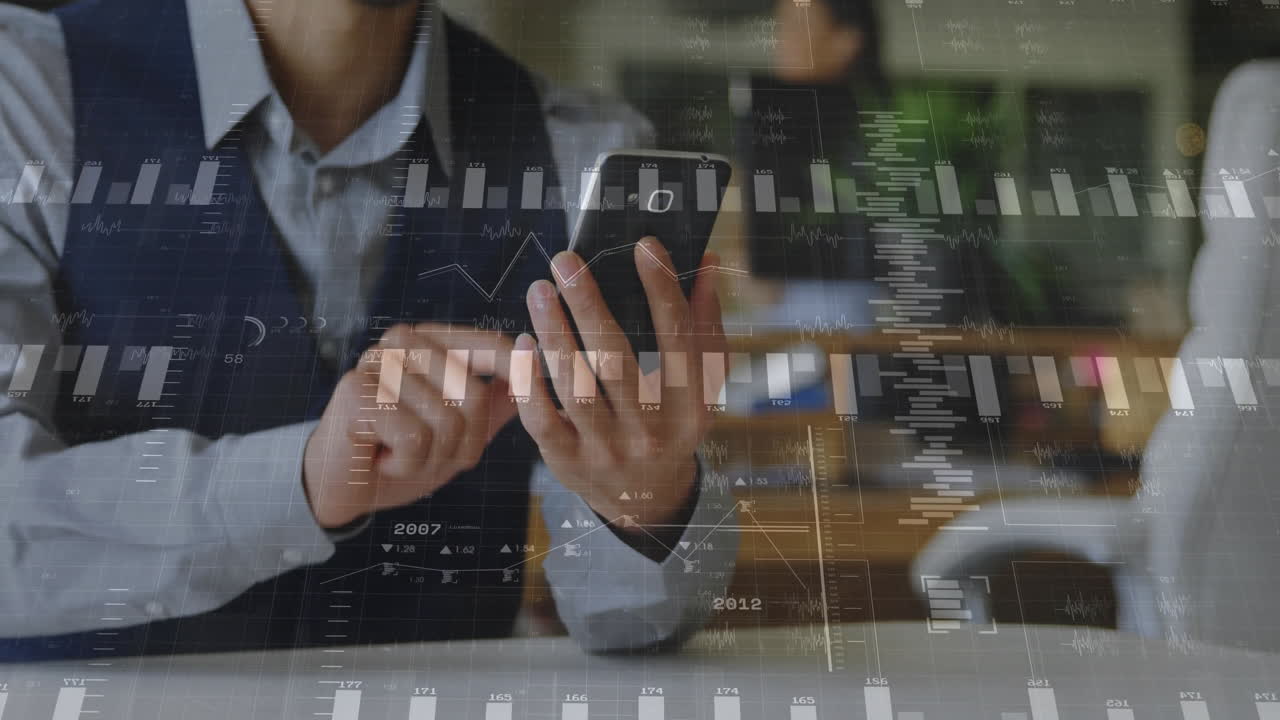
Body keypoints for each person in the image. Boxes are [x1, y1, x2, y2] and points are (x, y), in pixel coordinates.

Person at [0, 0, 737, 659]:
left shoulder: (578, 150)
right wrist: (302, 483)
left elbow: (630, 626)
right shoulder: (27, 90)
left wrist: (645, 504)